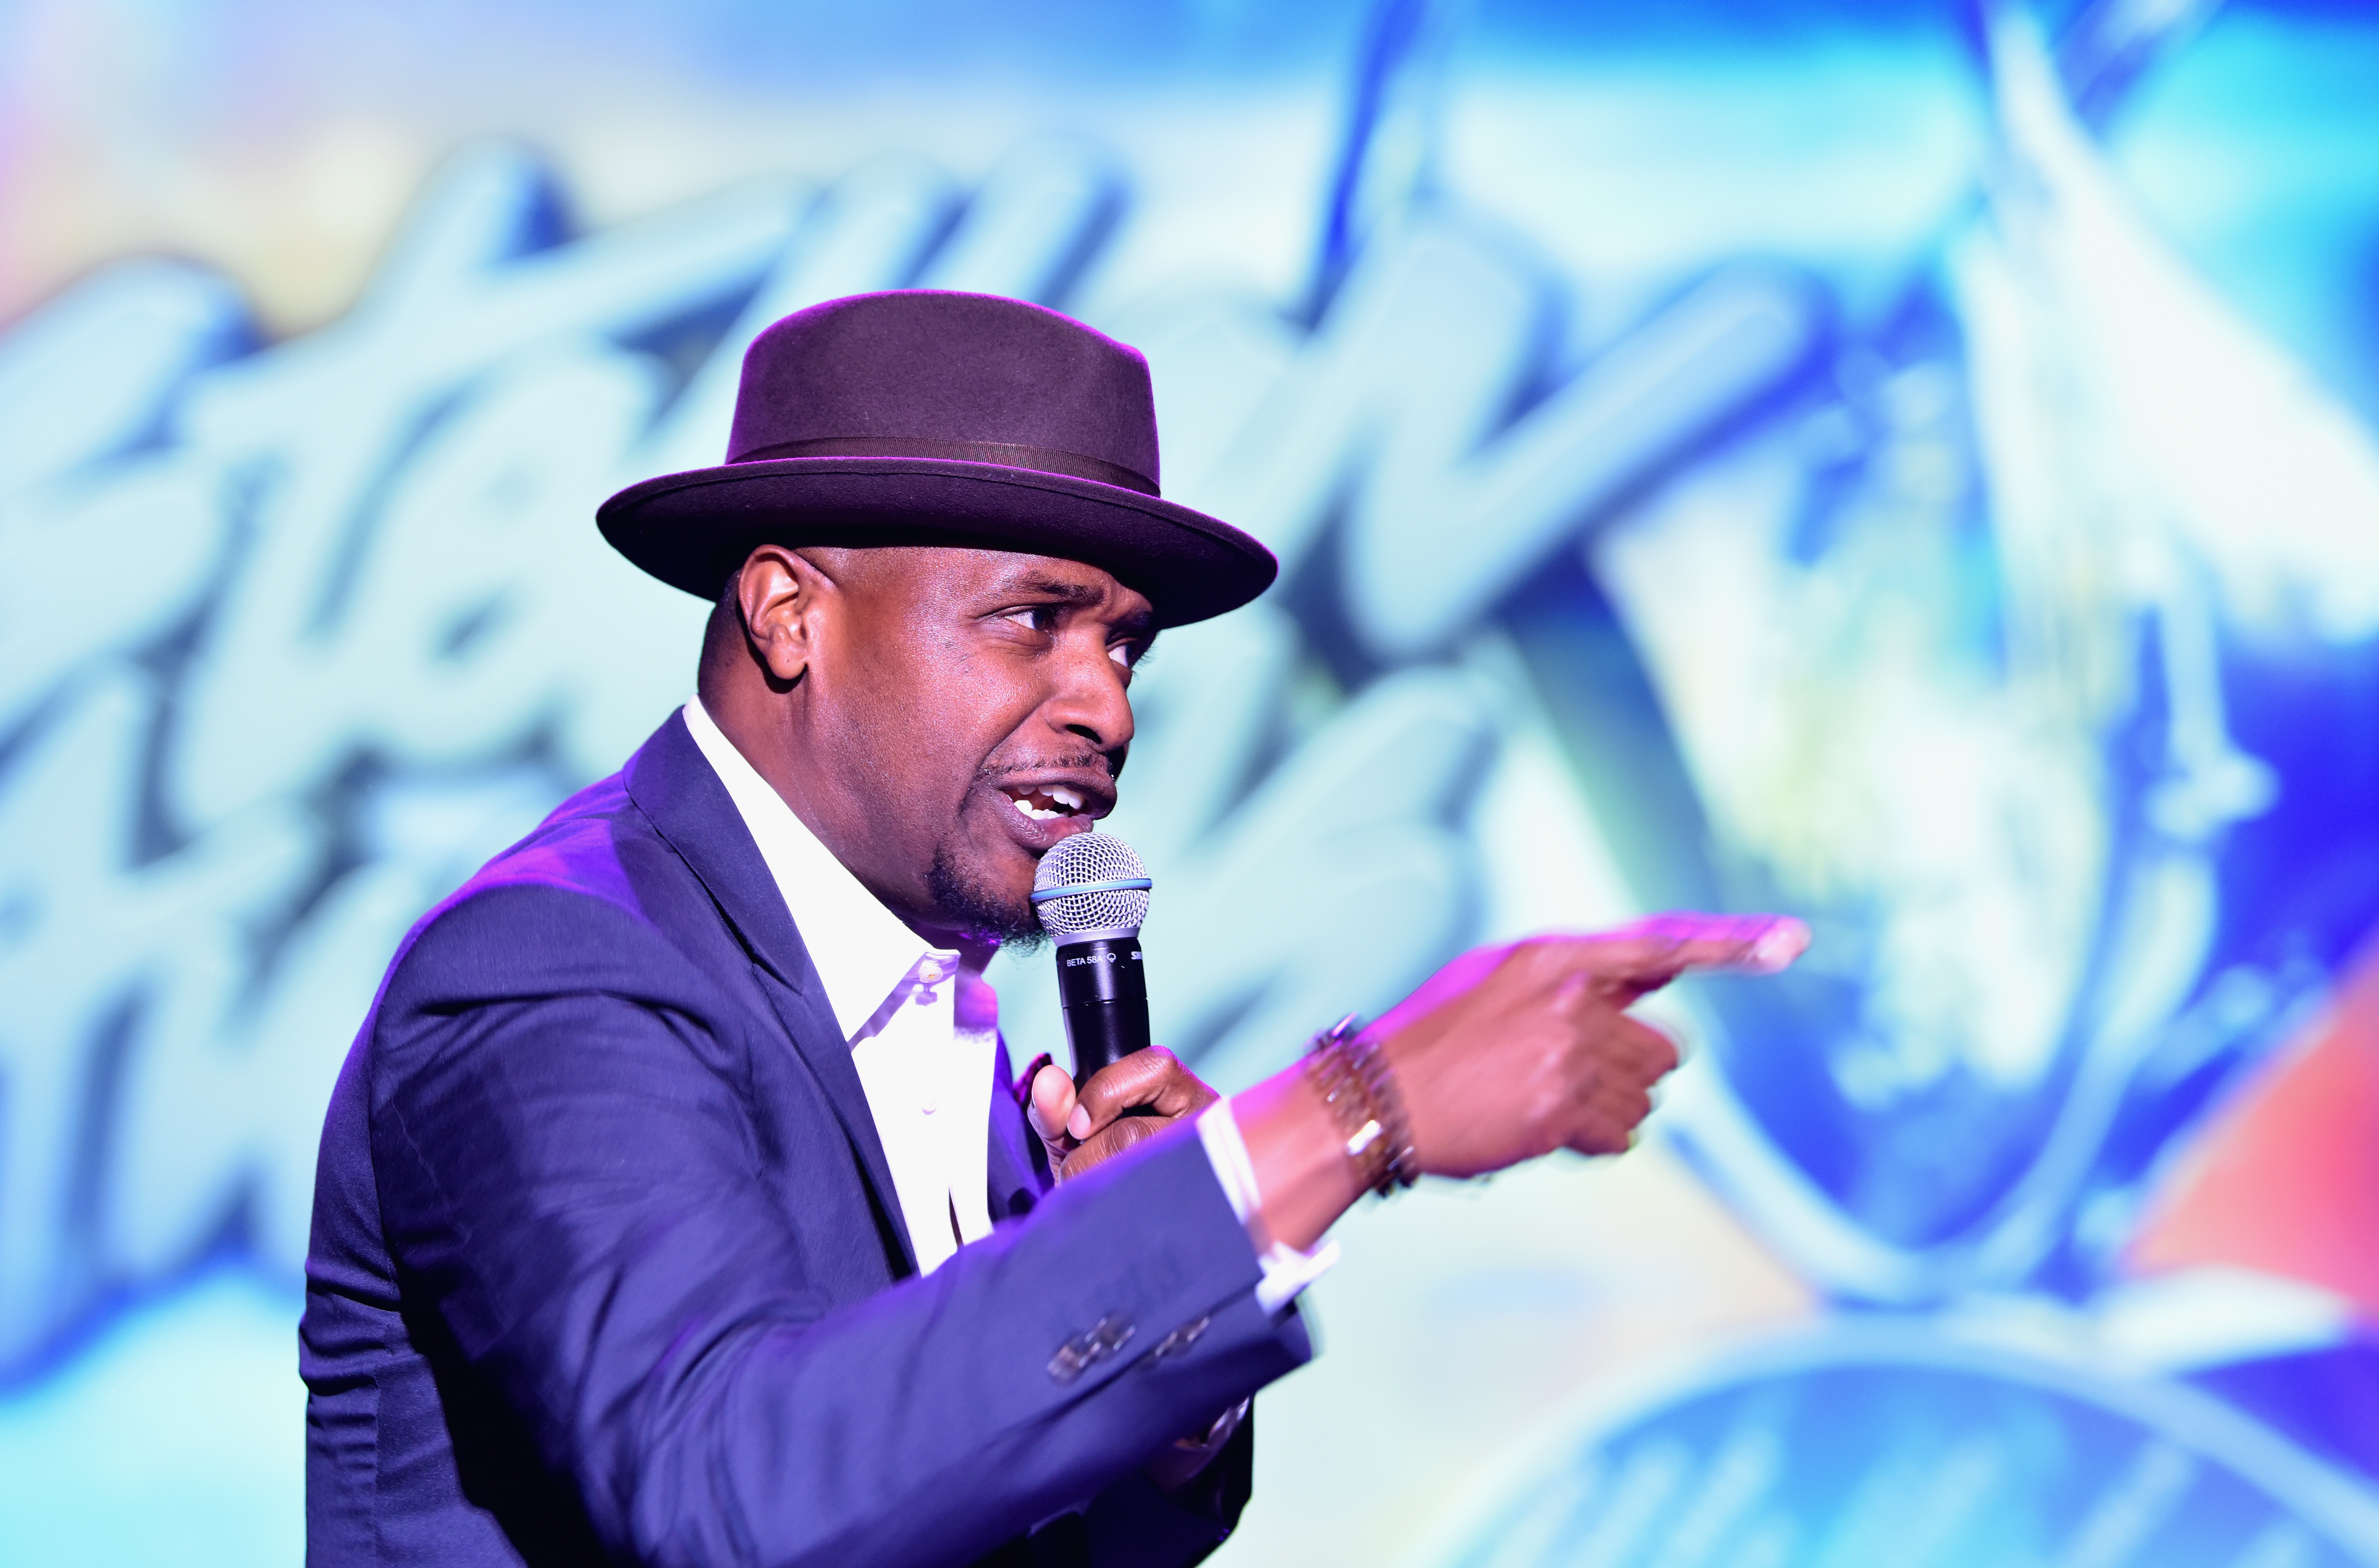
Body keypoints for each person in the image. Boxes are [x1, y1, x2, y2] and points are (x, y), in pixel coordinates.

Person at [299, 289, 1806, 1568]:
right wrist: (1352, 1115)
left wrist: (1157, 1337)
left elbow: (982, 1513)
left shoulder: (930, 1004)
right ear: (786, 614)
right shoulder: (558, 968)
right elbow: (730, 1494)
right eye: (1035, 618)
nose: (1108, 703)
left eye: (1123, 640)